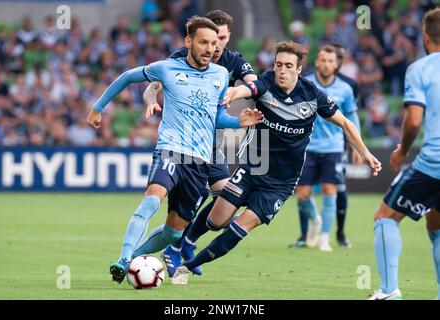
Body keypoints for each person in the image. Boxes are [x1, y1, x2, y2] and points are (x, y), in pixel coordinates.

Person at [170, 41, 381, 285]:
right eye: (279, 64)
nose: (282, 70)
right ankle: (186, 242)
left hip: (280, 183)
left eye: (288, 66)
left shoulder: (312, 95)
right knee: (216, 221)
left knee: (238, 229)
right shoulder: (267, 82)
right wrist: (230, 93)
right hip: (253, 167)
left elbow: (345, 123)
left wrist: (365, 152)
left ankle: (185, 268)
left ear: (299, 69)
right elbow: (246, 90)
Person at [86, 16, 262, 284]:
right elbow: (127, 77)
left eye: (214, 43)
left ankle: (135, 257)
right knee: (151, 200)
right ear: (188, 41)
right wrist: (98, 107)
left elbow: (216, 119)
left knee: (172, 234)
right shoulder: (168, 68)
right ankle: (122, 260)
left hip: (200, 160)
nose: (210, 49)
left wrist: (239, 121)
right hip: (171, 150)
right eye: (204, 42)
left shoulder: (221, 75)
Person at [141, 9, 257, 277]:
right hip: (182, 141)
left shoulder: (233, 61)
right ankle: (177, 245)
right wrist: (150, 102)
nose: (216, 45)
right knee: (200, 197)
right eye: (212, 38)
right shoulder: (182, 57)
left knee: (228, 202)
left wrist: (244, 92)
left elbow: (255, 84)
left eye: (223, 38)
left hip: (210, 144)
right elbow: (151, 87)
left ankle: (185, 241)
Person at [368, 8, 440, 300]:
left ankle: (388, 290)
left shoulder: (420, 68)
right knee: (436, 224)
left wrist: (402, 150)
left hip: (432, 163)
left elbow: (413, 121)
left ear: (424, 37)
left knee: (385, 216)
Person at [293, 44, 361, 250]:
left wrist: (357, 146)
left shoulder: (345, 89)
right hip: (307, 148)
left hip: (333, 148)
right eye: (322, 60)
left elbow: (352, 117)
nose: (326, 64)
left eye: (330, 61)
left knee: (330, 191)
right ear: (316, 62)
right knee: (302, 194)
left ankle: (324, 238)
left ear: (337, 64)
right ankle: (317, 220)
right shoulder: (305, 84)